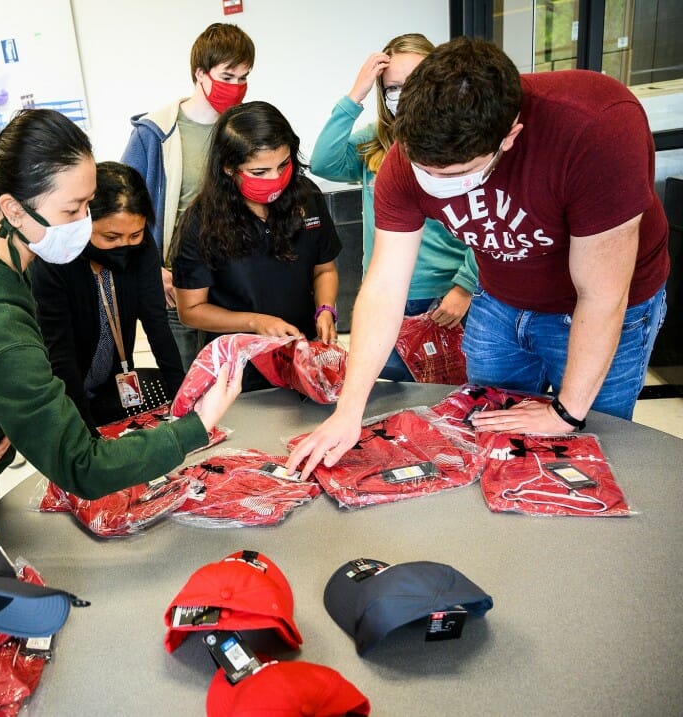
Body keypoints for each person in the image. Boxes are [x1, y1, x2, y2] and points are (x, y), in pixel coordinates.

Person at [289, 37, 669, 477]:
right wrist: (349, 410)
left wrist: (565, 414)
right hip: (501, 297)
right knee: (486, 433)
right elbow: (384, 286)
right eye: (422, 167)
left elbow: (602, 295)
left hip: (605, 306)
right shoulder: (404, 158)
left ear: (508, 137)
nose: (432, 182)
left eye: (452, 175)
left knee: (590, 448)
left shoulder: (594, 127)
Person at [0, 109, 241, 515]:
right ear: (14, 210)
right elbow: (82, 465)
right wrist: (195, 426)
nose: (84, 225)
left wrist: (6, 413)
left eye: (88, 206)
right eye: (72, 211)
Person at [310, 33, 478, 381]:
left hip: (445, 298)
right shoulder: (376, 141)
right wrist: (355, 94)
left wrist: (465, 286)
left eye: (417, 82)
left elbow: (487, 222)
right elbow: (323, 162)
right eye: (394, 87)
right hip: (388, 299)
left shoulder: (464, 143)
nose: (407, 94)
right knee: (390, 404)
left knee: (450, 398)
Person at [173, 100, 342, 392]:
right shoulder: (201, 222)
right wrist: (255, 323)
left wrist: (325, 309)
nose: (276, 179)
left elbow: (324, 269)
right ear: (228, 168)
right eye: (260, 172)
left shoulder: (306, 198)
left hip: (300, 354)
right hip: (238, 368)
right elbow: (191, 310)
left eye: (283, 165)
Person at [122, 22, 255, 372]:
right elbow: (125, 205)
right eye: (228, 76)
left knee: (235, 382)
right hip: (176, 282)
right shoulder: (155, 133)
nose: (237, 87)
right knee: (186, 383)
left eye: (244, 77)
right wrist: (153, 268)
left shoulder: (244, 129)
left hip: (233, 281)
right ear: (200, 74)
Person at [30, 161, 186, 431]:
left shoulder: (142, 250)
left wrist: (184, 403)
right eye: (111, 236)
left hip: (113, 383)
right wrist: (86, 437)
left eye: (134, 234)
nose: (124, 245)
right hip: (60, 390)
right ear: (84, 222)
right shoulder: (53, 261)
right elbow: (60, 356)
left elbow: (157, 325)